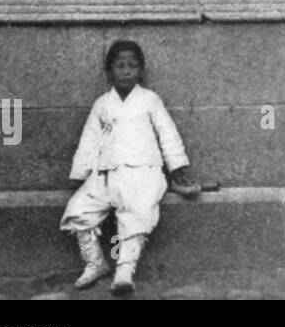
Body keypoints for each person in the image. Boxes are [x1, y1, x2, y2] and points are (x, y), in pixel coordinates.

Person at [60, 40, 200, 295]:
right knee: (78, 211)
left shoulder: (149, 100)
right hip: (106, 174)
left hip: (143, 172)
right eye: (119, 66)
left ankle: (125, 270)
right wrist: (79, 173)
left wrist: (177, 168)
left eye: (132, 66)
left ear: (141, 70)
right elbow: (89, 140)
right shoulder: (102, 104)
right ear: (108, 70)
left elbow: (167, 134)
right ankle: (95, 263)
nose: (126, 71)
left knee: (137, 214)